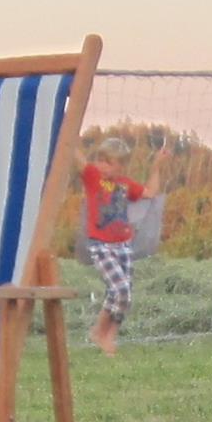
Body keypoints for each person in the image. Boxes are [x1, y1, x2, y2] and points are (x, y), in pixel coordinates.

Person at [77, 139, 150, 354]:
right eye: (99, 160)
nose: (102, 165)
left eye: (108, 162)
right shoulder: (93, 177)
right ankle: (102, 335)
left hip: (123, 245)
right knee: (121, 290)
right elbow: (77, 157)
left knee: (121, 295)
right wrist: (67, 135)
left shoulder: (126, 184)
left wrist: (157, 166)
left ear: (120, 166)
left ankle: (106, 335)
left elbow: (149, 192)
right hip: (101, 245)